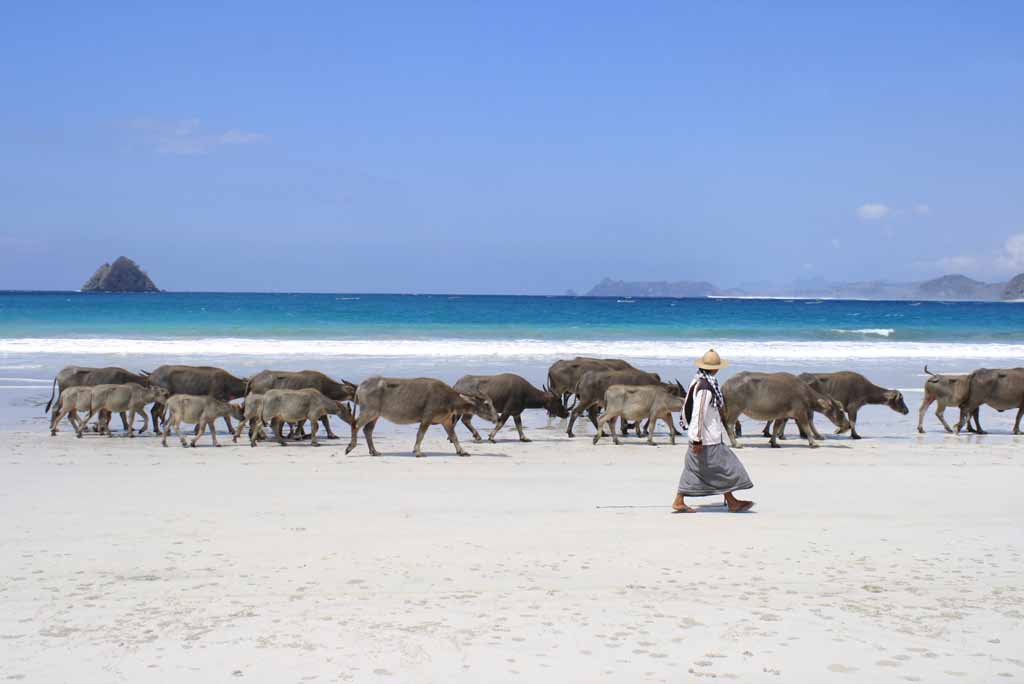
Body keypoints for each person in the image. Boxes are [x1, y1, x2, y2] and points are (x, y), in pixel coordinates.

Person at [672, 349, 754, 513]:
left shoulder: (700, 382)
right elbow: (699, 413)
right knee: (727, 468)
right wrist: (696, 438)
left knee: (697, 469)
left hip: (707, 437)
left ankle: (680, 501)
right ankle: (732, 502)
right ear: (716, 368)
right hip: (707, 439)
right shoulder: (705, 388)